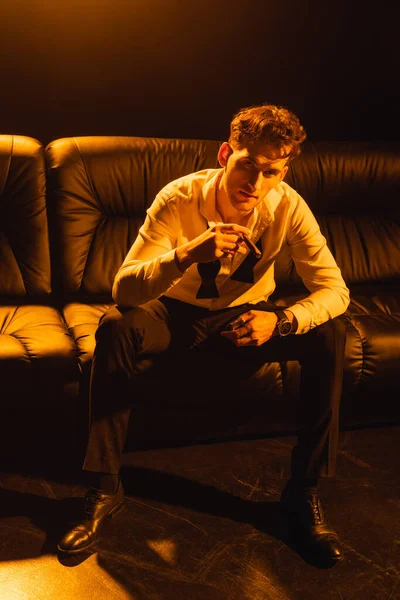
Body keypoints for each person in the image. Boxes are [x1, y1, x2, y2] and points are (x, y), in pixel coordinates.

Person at [57, 103, 350, 563]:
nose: (255, 184)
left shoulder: (289, 206)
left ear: (285, 169)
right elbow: (124, 290)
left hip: (248, 315)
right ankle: (103, 487)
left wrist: (283, 320)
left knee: (332, 332)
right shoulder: (179, 197)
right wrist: (184, 256)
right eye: (247, 165)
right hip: (176, 313)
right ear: (224, 154)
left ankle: (303, 491)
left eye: (271, 172)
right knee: (116, 326)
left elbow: (335, 290)